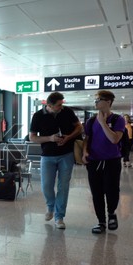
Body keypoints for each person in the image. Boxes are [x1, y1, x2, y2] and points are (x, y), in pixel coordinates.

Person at [29, 92, 83, 229]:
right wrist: (50, 138)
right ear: (49, 105)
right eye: (59, 105)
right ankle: (50, 206)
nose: (61, 107)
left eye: (62, 103)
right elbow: (33, 137)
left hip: (66, 154)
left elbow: (79, 127)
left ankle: (59, 216)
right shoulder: (38, 116)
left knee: (63, 186)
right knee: (46, 185)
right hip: (47, 155)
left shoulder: (67, 112)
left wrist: (68, 137)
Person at [82, 90, 125, 234]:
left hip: (112, 161)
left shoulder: (118, 119)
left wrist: (103, 122)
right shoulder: (90, 121)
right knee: (97, 192)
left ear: (108, 102)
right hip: (94, 161)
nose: (95, 102)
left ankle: (111, 213)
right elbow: (86, 140)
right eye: (95, 100)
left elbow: (114, 139)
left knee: (111, 189)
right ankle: (101, 221)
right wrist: (84, 152)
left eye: (98, 100)